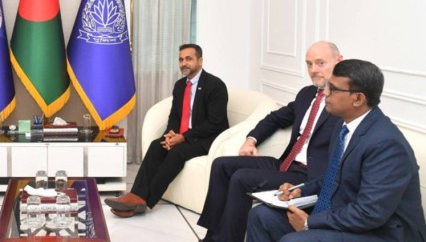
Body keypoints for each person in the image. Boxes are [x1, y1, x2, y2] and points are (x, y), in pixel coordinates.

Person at [247, 59, 426, 242]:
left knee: (294, 240)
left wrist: (310, 222)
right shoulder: (343, 125)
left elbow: (370, 212)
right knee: (261, 215)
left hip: (383, 233)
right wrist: (300, 190)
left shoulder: (386, 145)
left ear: (358, 99)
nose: (325, 92)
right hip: (346, 216)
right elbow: (335, 177)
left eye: (332, 89)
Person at [197, 41, 342, 242]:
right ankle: (212, 236)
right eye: (309, 64)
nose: (313, 70)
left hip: (309, 175)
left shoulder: (343, 102)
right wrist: (251, 140)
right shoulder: (306, 94)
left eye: (320, 63)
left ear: (338, 61)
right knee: (221, 165)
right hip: (286, 163)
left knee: (241, 178)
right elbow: (276, 118)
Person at [105, 43, 229, 218]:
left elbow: (215, 123)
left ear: (200, 61)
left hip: (209, 138)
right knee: (157, 146)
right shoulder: (180, 85)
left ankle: (144, 202)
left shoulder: (215, 85)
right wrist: (170, 134)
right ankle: (135, 195)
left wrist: (183, 137)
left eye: (188, 59)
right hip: (184, 134)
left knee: (177, 152)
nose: (184, 63)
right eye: (181, 59)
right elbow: (175, 116)